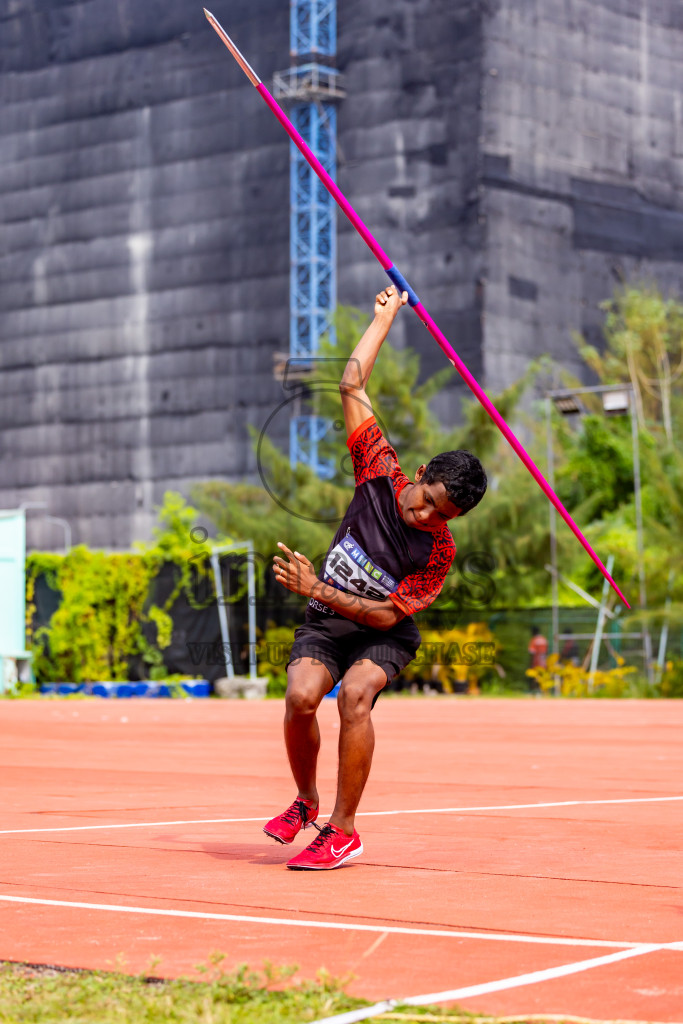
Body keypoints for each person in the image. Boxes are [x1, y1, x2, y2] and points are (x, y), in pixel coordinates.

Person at [264, 285, 487, 870]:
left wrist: (319, 588)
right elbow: (351, 385)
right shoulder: (378, 471)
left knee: (356, 695)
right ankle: (306, 801)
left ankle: (342, 829)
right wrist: (385, 316)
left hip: (380, 631)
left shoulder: (438, 551)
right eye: (427, 501)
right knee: (300, 699)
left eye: (444, 515)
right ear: (418, 475)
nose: (427, 517)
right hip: (327, 620)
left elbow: (388, 616)